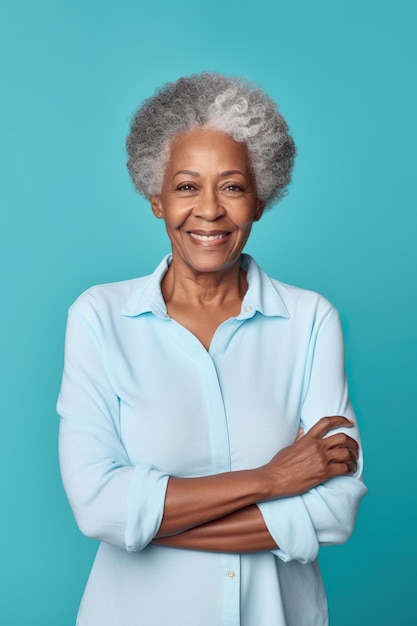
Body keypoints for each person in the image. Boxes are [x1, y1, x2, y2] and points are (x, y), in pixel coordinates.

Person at [57, 72, 367, 626]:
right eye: (186, 186)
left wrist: (147, 521)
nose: (209, 211)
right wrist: (273, 480)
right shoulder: (100, 319)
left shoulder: (309, 320)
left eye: (231, 186)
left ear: (260, 199)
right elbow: (97, 505)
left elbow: (334, 510)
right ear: (156, 199)